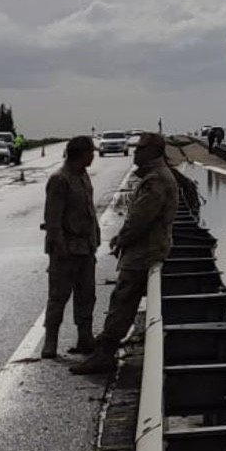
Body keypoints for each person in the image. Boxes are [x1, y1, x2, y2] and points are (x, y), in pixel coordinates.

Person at [72, 133, 180, 375]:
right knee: (123, 300)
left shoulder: (156, 180)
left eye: (140, 148)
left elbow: (141, 218)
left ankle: (105, 353)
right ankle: (106, 349)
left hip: (145, 252)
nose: (135, 153)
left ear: (153, 151)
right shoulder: (156, 176)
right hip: (149, 248)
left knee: (122, 301)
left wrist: (122, 239)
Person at [41, 136, 99, 359]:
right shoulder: (60, 179)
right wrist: (60, 247)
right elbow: (53, 219)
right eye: (90, 152)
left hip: (86, 247)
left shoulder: (83, 176)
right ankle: (50, 341)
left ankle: (85, 337)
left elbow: (89, 211)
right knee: (58, 296)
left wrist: (95, 240)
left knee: (87, 295)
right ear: (80, 154)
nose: (93, 156)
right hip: (65, 249)